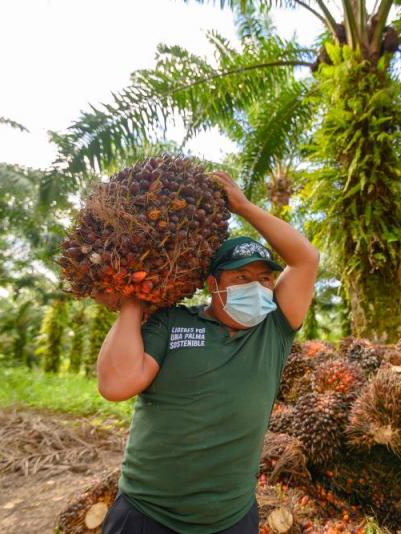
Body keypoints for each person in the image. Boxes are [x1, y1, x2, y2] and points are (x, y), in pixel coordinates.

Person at [93, 170, 319, 534]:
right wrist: (131, 301)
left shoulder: (275, 328)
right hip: (145, 513)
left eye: (264, 278)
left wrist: (244, 207)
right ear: (213, 286)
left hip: (229, 520)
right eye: (241, 278)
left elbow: (306, 258)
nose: (257, 287)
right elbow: (116, 385)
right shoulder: (172, 322)